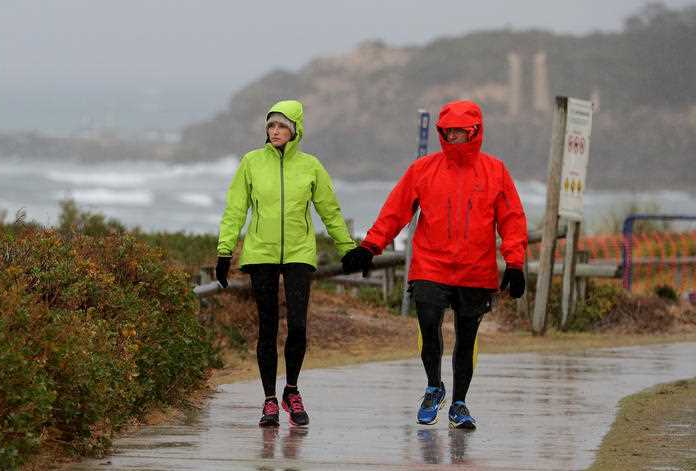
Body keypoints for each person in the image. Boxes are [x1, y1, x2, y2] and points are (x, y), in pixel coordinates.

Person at [342, 100, 528, 430]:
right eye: (449, 131)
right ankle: (433, 387)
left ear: (475, 132)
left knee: (466, 338)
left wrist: (515, 263)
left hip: (476, 270)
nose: (454, 136)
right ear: (442, 132)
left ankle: (459, 403)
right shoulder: (423, 169)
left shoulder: (495, 171)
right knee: (429, 324)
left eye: (461, 131)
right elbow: (395, 211)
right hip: (431, 266)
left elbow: (512, 220)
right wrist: (370, 246)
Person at [216, 99, 356, 427]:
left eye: (282, 126)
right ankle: (268, 400)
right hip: (261, 253)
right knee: (267, 327)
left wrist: (348, 248)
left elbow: (329, 210)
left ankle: (291, 390)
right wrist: (225, 251)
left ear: (295, 130)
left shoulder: (310, 166)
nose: (275, 131)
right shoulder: (251, 162)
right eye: (271, 126)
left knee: (298, 326)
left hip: (298, 254)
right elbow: (235, 209)